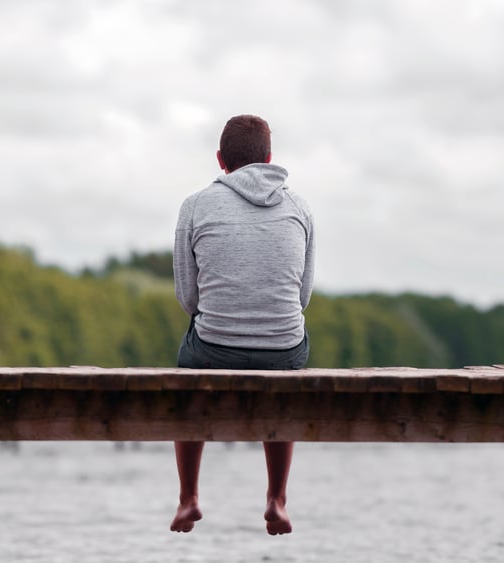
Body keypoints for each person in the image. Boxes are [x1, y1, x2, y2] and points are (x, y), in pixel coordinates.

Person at [171, 114, 315, 535]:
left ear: (220, 160)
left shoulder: (195, 205)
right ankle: (277, 498)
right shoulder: (300, 207)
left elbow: (188, 297)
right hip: (284, 347)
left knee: (186, 372)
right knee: (286, 372)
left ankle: (188, 498)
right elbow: (302, 296)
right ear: (269, 158)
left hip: (213, 346)